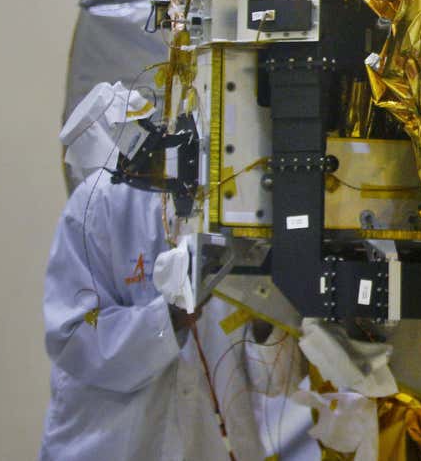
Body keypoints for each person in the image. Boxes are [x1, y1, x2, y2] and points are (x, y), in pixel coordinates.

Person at [41, 163, 304, 460]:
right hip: (108, 446)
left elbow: (277, 382)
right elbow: (74, 337)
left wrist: (264, 320)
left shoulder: (249, 203)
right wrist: (169, 318)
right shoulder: (102, 201)